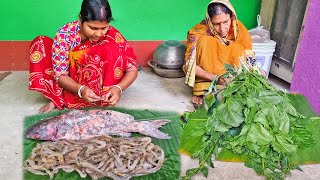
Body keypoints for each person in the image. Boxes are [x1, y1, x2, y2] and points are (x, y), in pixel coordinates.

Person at [29, 0, 138, 113]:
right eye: (93, 28)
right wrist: (80, 89)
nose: (99, 34)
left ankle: (102, 97)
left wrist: (118, 88)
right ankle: (57, 96)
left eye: (104, 28)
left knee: (112, 48)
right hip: (71, 79)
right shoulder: (65, 35)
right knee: (40, 44)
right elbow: (60, 75)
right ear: (80, 19)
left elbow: (132, 69)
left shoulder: (112, 35)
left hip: (99, 83)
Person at [183, 0, 254, 108]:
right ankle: (202, 90)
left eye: (226, 22)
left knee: (238, 48)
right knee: (205, 42)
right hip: (207, 77)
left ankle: (230, 86)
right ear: (209, 21)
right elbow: (189, 66)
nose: (222, 29)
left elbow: (248, 58)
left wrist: (252, 73)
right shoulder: (198, 32)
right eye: (216, 24)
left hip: (230, 78)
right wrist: (216, 78)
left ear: (231, 17)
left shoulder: (239, 30)